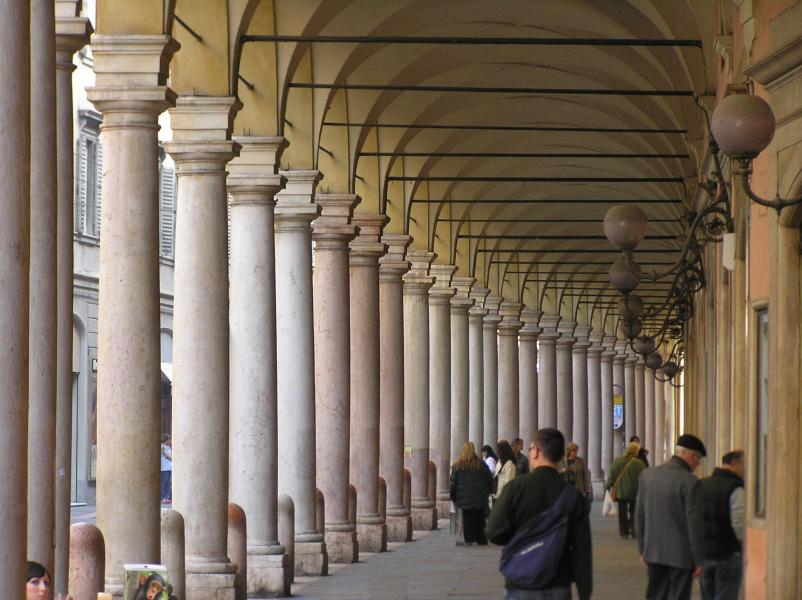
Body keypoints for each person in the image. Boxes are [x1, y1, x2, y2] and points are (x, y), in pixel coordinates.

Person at [486, 428, 592, 600]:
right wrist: (584, 592)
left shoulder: (515, 488)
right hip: (558, 581)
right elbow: (582, 551)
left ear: (535, 451)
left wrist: (520, 539)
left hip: (521, 579)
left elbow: (492, 531)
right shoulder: (573, 497)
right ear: (559, 457)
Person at [635, 434, 707, 600]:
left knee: (655, 595)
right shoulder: (690, 482)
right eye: (698, 459)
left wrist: (642, 549)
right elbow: (694, 524)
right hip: (681, 556)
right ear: (690, 456)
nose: (698, 464)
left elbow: (639, 516)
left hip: (653, 552)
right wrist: (698, 560)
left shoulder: (648, 475)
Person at [700, 450, 745, 600]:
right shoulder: (736, 488)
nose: (746, 469)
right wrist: (743, 546)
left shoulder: (702, 484)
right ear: (734, 464)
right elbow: (738, 523)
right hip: (728, 554)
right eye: (744, 464)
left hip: (705, 554)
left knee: (708, 595)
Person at [450, 441, 494, 546]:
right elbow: (490, 479)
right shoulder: (481, 464)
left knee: (468, 518)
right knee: (480, 518)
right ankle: (481, 539)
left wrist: (453, 496)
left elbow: (453, 483)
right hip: (480, 498)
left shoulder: (457, 466)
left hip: (464, 500)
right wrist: (487, 492)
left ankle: (470, 538)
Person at [606, 442, 646, 538]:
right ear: (635, 452)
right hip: (635, 492)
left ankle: (624, 532)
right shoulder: (640, 463)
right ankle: (633, 529)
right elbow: (644, 477)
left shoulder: (617, 461)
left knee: (622, 512)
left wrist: (607, 488)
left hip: (621, 492)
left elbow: (611, 476)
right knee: (634, 511)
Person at [560, 442, 593, 512]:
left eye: (576, 451)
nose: (575, 453)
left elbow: (585, 475)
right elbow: (556, 472)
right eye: (573, 451)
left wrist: (587, 489)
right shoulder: (562, 461)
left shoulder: (581, 461)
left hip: (577, 486)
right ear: (569, 451)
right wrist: (564, 470)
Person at [160, 434, 172, 503]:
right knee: (163, 483)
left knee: (169, 483)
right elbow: (168, 456)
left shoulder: (168, 447)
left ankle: (167, 497)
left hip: (169, 467)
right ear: (166, 440)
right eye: (168, 439)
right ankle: (162, 497)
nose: (169, 441)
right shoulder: (162, 447)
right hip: (164, 468)